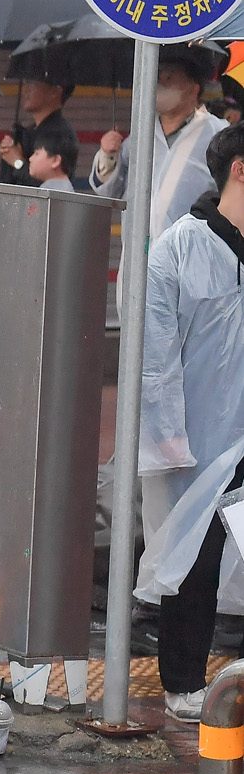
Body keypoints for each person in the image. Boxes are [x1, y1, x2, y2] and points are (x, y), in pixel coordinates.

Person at [135, 124, 244, 722]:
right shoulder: (178, 247)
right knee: (193, 562)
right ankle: (183, 684)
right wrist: (167, 437)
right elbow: (155, 355)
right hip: (199, 439)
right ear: (239, 169)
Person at [91, 48, 228, 282]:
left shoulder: (217, 134)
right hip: (138, 263)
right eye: (157, 78)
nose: (160, 85)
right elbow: (109, 192)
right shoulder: (139, 134)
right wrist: (107, 155)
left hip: (195, 263)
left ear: (194, 87)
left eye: (169, 78)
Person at [0, 79, 77, 187]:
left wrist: (17, 162)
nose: (25, 90)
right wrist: (8, 153)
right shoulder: (28, 132)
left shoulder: (60, 134)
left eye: (32, 83)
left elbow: (46, 185)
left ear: (55, 91)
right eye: (25, 83)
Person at [29, 125, 78, 193]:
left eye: (37, 153)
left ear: (56, 161)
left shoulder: (51, 192)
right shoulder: (63, 188)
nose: (30, 159)